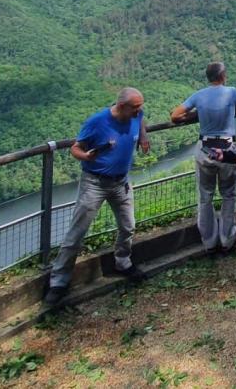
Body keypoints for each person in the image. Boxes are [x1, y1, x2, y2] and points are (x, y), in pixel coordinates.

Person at [45, 88, 152, 306]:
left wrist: (143, 135)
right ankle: (58, 282)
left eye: (140, 106)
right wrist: (85, 156)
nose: (139, 110)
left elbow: (141, 120)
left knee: (128, 225)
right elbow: (76, 148)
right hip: (95, 183)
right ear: (122, 106)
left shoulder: (136, 114)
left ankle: (123, 262)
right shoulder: (97, 122)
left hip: (121, 182)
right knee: (77, 232)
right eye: (136, 107)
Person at [171, 62, 236, 254]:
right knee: (228, 194)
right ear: (223, 75)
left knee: (205, 196)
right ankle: (228, 240)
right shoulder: (231, 92)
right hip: (228, 149)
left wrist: (197, 114)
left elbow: (176, 116)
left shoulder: (199, 95)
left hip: (205, 149)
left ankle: (209, 242)